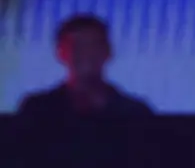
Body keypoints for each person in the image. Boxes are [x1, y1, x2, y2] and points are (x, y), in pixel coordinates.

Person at [16, 14, 153, 117]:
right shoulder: (37, 110)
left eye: (93, 45)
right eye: (77, 46)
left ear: (108, 51)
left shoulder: (135, 113)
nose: (87, 53)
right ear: (61, 53)